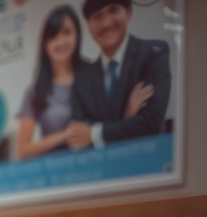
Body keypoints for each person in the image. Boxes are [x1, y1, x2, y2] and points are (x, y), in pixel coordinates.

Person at [67, 0, 170, 149]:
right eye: (97, 16)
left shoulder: (153, 54)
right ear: (88, 24)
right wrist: (127, 118)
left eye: (113, 10)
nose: (106, 23)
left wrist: (93, 134)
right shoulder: (81, 79)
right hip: (101, 170)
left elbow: (150, 125)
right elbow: (77, 140)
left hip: (147, 164)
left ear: (128, 12)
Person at [16, 5, 86, 159]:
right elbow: (22, 149)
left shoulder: (92, 76)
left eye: (66, 33)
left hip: (98, 167)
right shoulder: (35, 91)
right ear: (45, 44)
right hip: (55, 172)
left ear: (77, 35)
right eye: (53, 36)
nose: (60, 42)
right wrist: (65, 136)